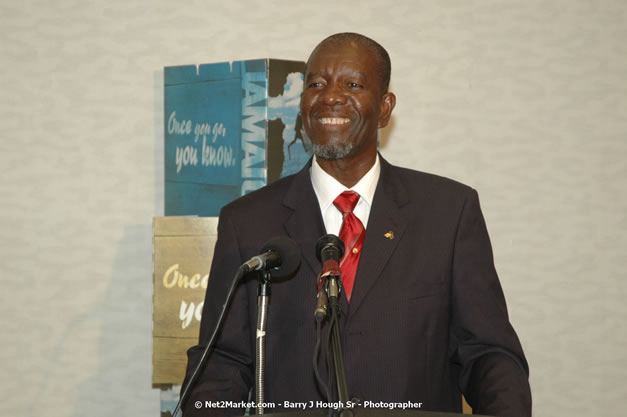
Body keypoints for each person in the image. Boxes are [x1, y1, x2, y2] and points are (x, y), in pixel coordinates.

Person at [182, 33, 532, 417]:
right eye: (315, 83)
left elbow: (487, 353)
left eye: (352, 84)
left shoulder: (448, 212)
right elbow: (221, 366)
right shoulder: (247, 221)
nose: (330, 96)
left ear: (384, 108)